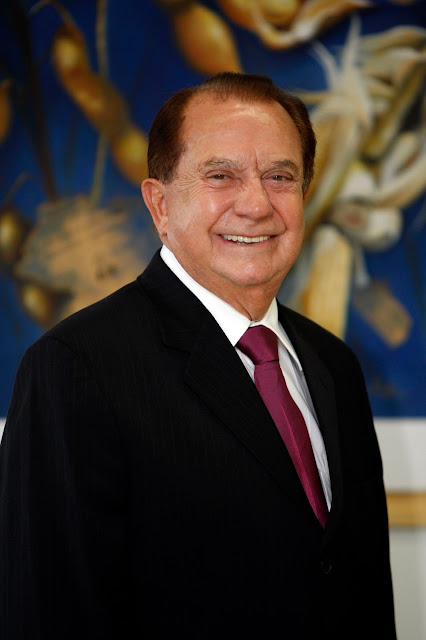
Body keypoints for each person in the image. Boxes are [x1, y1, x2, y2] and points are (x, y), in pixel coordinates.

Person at [0, 72, 396, 639]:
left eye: (280, 176)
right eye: (221, 176)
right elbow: (49, 615)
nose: (256, 205)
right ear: (160, 204)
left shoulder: (334, 364)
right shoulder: (75, 367)